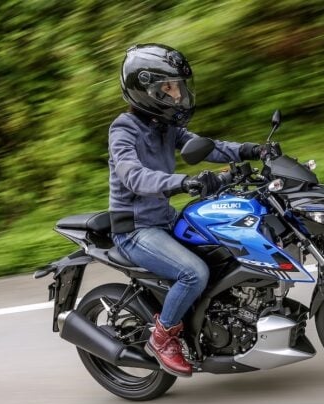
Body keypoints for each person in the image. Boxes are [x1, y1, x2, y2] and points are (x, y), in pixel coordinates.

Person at [108, 43, 262, 377]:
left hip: (164, 219)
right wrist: (184, 182)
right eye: (169, 88)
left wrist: (252, 150)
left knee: (227, 250)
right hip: (135, 229)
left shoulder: (166, 126)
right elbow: (133, 176)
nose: (178, 95)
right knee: (194, 273)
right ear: (145, 90)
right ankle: (162, 337)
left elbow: (208, 147)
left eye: (178, 86)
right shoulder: (124, 129)